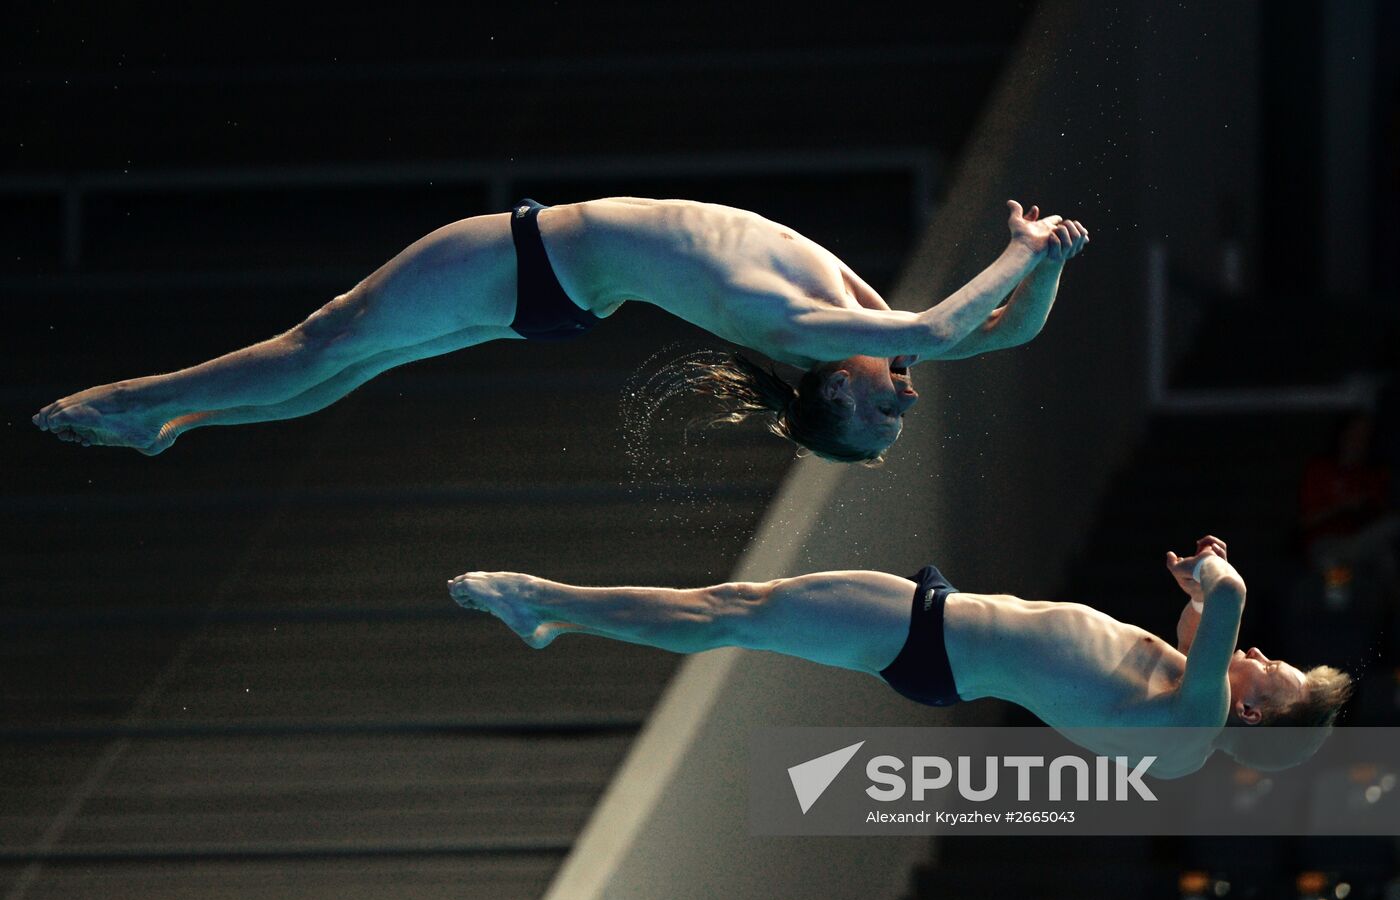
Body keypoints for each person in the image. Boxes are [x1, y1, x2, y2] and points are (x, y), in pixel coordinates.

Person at [32, 196, 1088, 462]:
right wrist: (1043, 272)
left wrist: (1023, 248)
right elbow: (998, 337)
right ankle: (177, 429)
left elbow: (951, 330)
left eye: (885, 413)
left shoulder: (800, 322)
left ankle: (134, 404)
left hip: (522, 261)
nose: (905, 392)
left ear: (834, 391)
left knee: (326, 342)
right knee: (359, 365)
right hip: (560, 299)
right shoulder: (863, 336)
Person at [448, 535, 1352, 776]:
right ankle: (551, 610)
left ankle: (545, 606)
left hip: (931, 638)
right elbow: (1206, 620)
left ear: (1256, 713)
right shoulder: (1181, 689)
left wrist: (1213, 574)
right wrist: (1197, 579)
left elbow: (1227, 601)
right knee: (737, 612)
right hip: (939, 630)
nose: (1265, 651)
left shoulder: (1194, 726)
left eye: (1277, 669)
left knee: (732, 611)